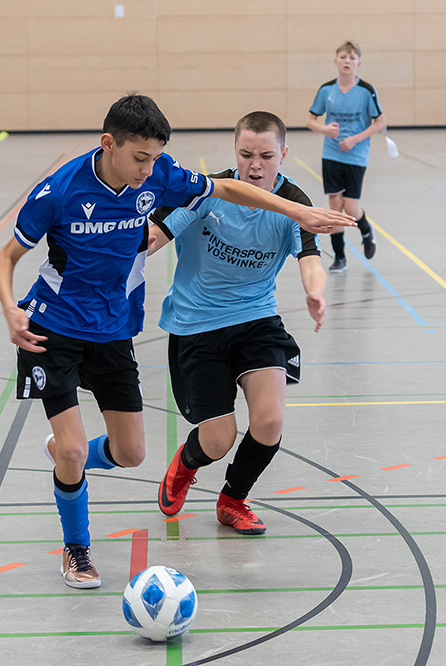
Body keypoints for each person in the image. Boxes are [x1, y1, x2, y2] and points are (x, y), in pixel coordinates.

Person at [0, 94, 352, 589]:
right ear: (109, 144)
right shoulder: (58, 191)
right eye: (140, 158)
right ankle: (77, 549)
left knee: (132, 453)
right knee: (77, 452)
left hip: (116, 328)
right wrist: (11, 308)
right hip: (53, 327)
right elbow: (4, 258)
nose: (148, 169)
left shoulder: (160, 174)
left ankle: (69, 453)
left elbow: (222, 188)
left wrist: (302, 218)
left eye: (155, 158)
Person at [149, 111, 326, 535]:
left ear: (284, 154)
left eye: (266, 155)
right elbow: (156, 235)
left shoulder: (293, 202)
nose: (255, 165)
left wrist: (314, 291)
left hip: (256, 318)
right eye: (246, 154)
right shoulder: (207, 193)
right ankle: (185, 465)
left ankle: (233, 499)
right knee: (218, 439)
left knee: (269, 421)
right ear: (235, 152)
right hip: (197, 323)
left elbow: (310, 256)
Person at [308, 40, 386, 272]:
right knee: (334, 207)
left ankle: (365, 230)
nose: (347, 61)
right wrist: (324, 130)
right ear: (336, 61)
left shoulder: (366, 91)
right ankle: (339, 257)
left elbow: (380, 123)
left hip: (356, 155)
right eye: (343, 57)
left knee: (350, 209)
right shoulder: (326, 90)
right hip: (331, 154)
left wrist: (354, 139)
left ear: (358, 63)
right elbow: (310, 120)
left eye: (351, 58)